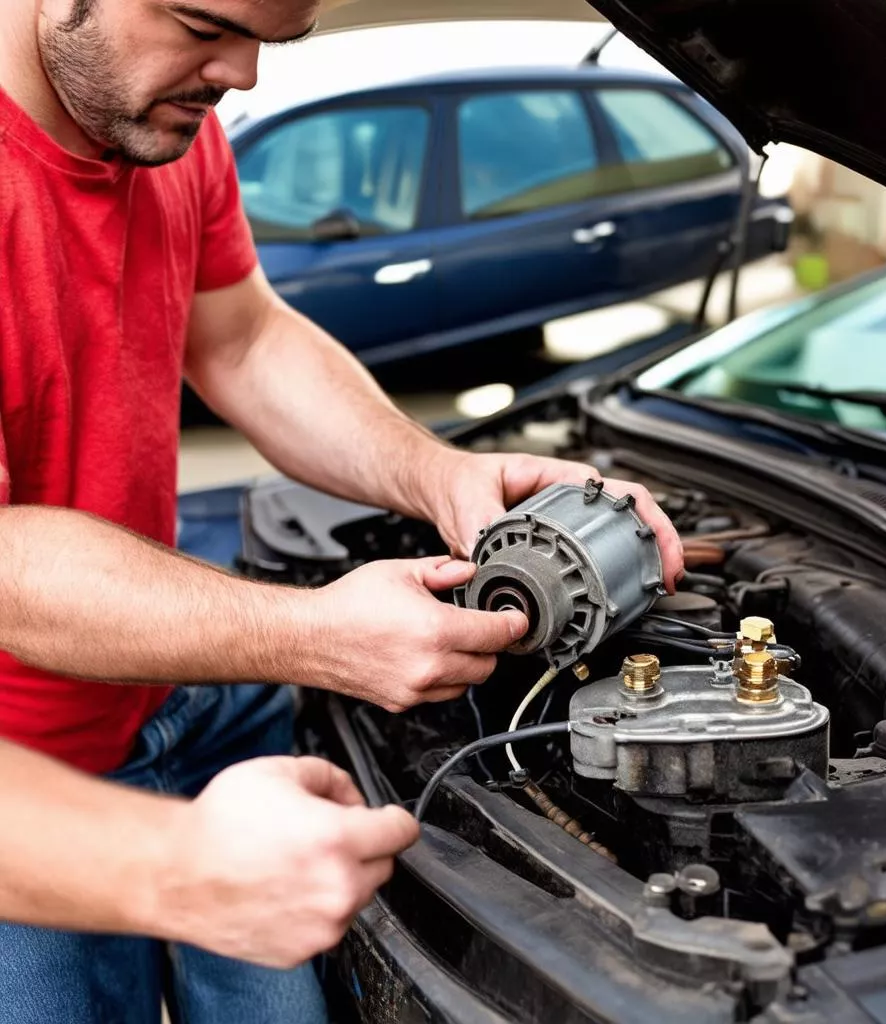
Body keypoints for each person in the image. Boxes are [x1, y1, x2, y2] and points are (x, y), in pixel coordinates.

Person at [0, 1, 685, 1022]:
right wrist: (312, 632)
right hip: (31, 779)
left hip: (188, 696)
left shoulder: (161, 126)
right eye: (203, 25)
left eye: (269, 40)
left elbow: (239, 339)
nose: (241, 75)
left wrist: (437, 473)